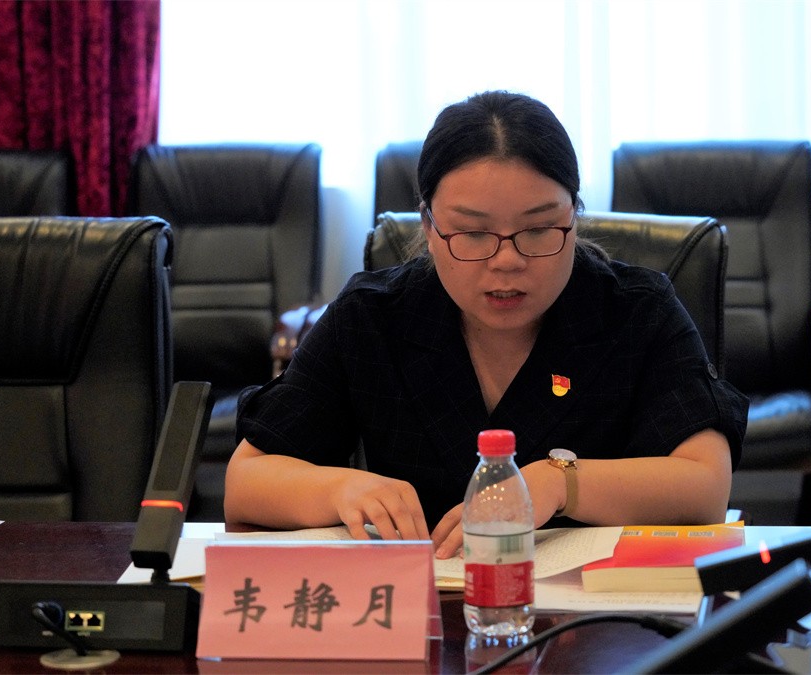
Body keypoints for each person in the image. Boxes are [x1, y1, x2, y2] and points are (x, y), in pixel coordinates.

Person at [225, 90, 748, 559]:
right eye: (473, 234)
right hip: (428, 608)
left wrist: (559, 483)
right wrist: (340, 489)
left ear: (575, 216)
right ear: (430, 226)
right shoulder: (373, 317)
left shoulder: (636, 311)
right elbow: (247, 480)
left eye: (539, 229)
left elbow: (705, 486)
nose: (507, 261)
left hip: (590, 613)